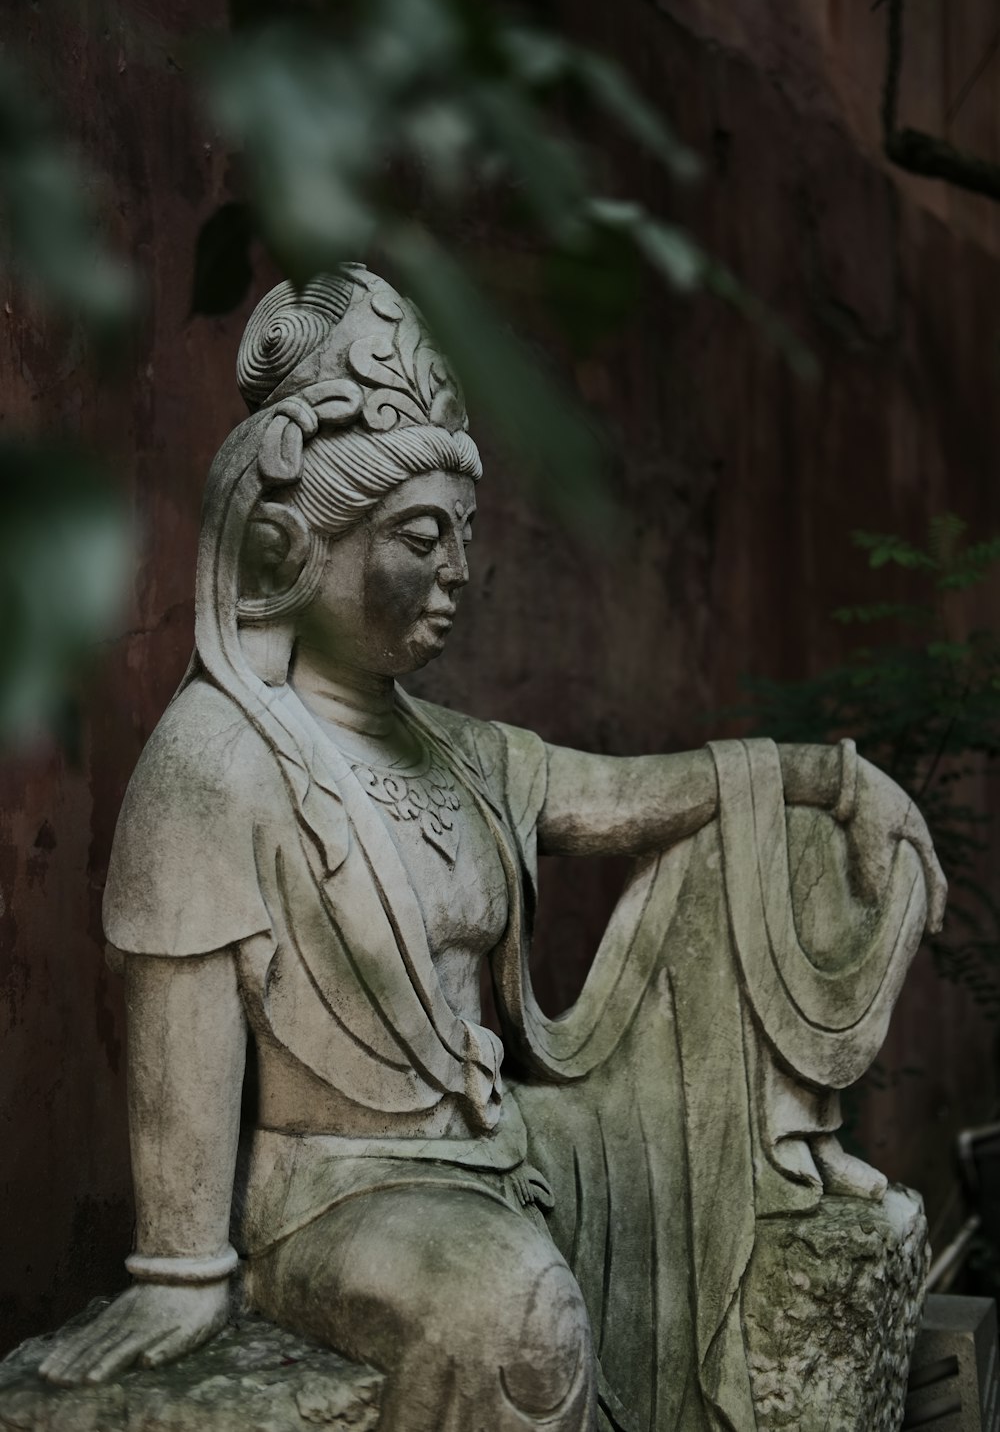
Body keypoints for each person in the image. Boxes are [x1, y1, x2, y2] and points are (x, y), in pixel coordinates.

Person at [39, 268, 946, 1431]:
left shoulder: (461, 751)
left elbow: (626, 796)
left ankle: (782, 1149)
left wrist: (828, 777)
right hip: (339, 1194)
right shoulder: (216, 760)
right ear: (287, 550)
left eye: (466, 535)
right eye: (422, 537)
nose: (459, 571)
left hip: (508, 1143)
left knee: (765, 845)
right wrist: (179, 1267)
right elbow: (179, 1030)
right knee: (519, 1317)